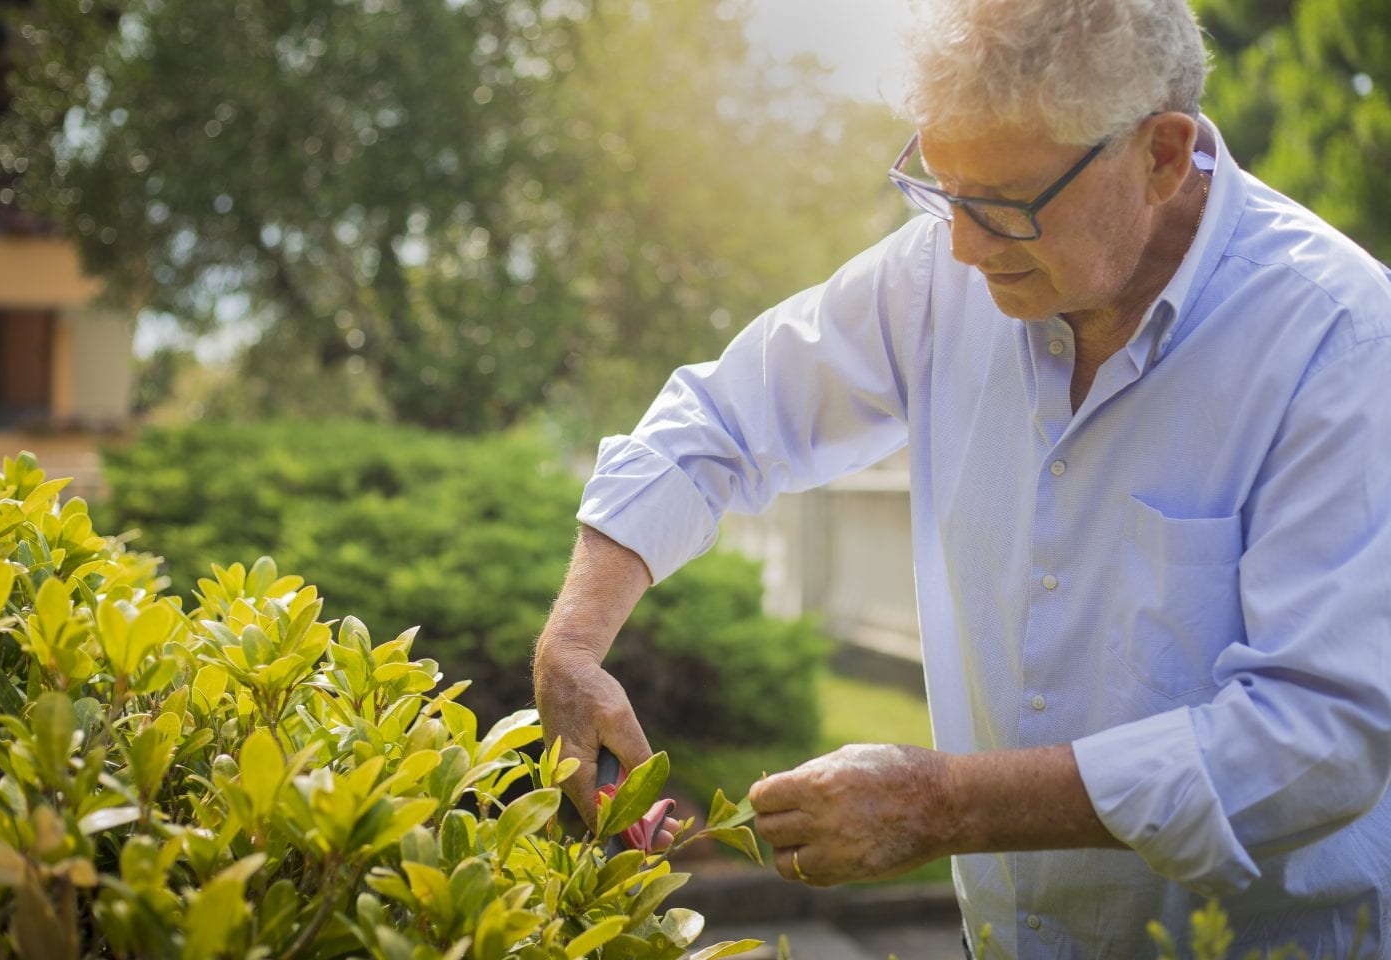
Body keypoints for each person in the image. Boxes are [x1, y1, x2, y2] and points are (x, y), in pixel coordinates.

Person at [532, 0, 1391, 954]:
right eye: (941, 186)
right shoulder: (941, 272)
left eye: (1007, 203)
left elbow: (1319, 738)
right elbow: (720, 417)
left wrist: (950, 804)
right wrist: (573, 645)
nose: (965, 246)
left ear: (1160, 154)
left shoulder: (1339, 338)